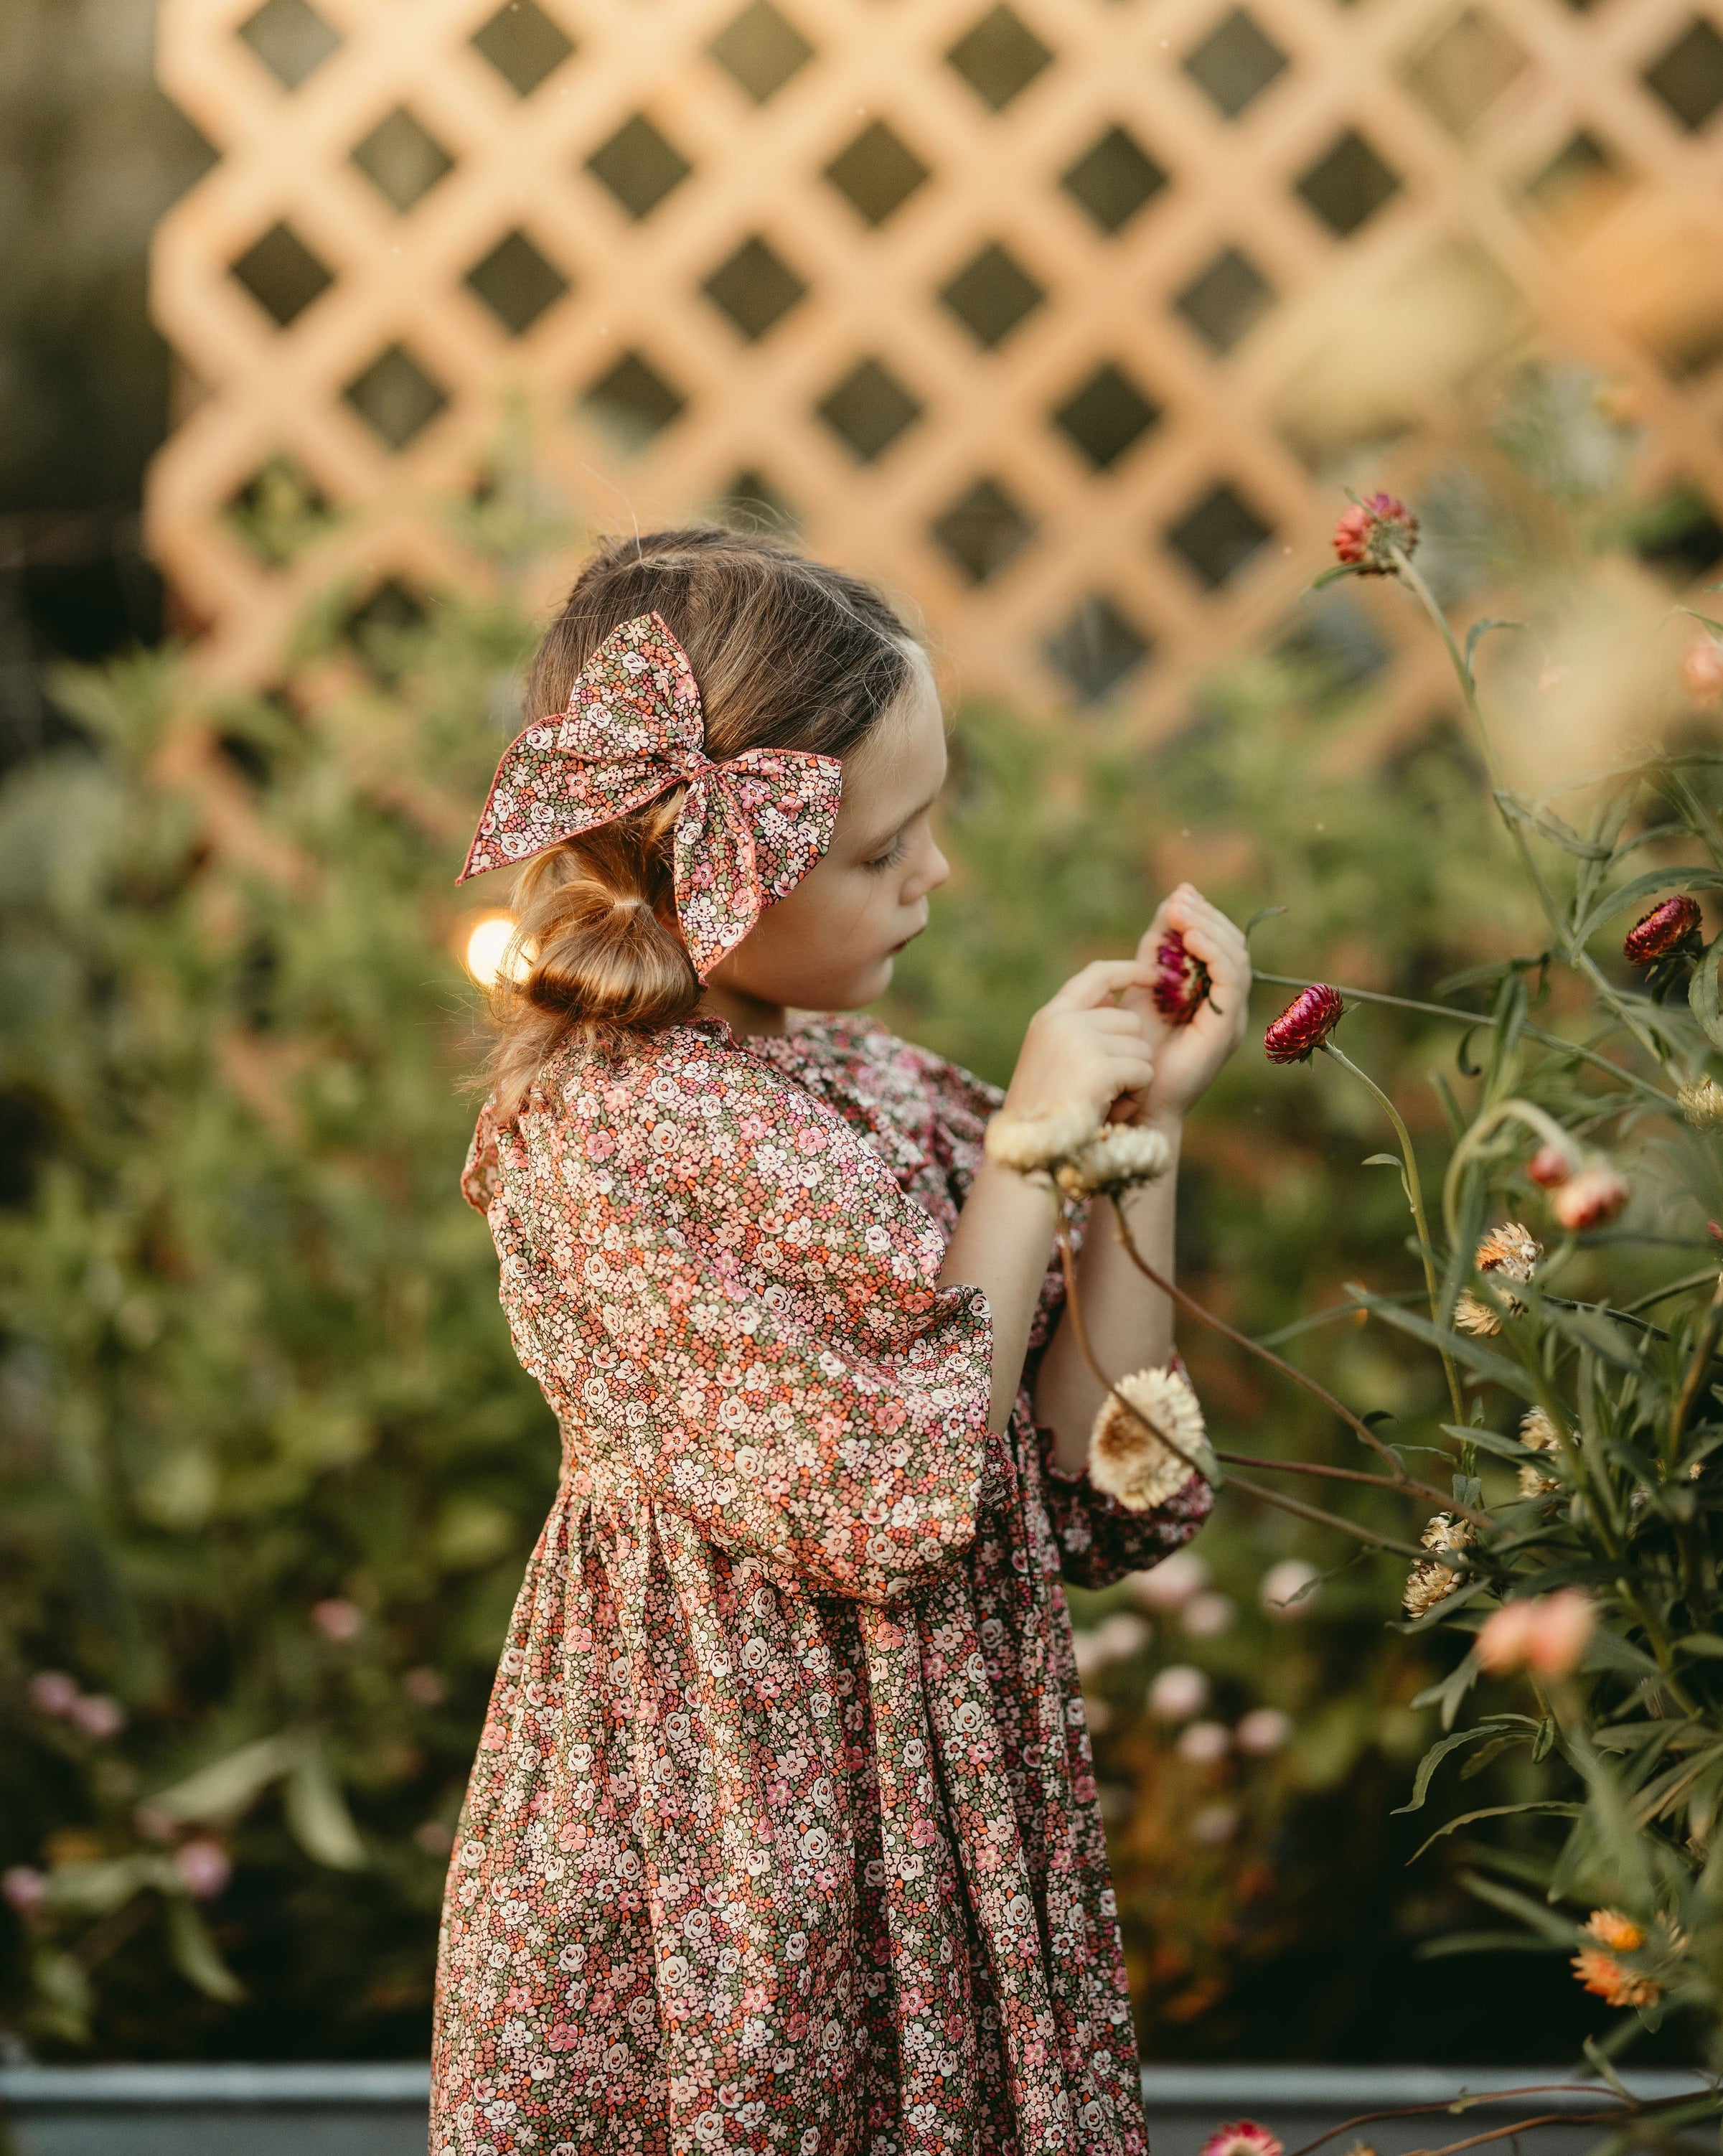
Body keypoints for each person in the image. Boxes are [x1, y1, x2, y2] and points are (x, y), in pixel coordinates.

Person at [429, 527, 1251, 2156]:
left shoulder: (872, 1083)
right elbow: (892, 1486)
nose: (933, 875)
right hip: (724, 1855)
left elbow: (1112, 1476)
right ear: (716, 860)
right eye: (888, 847)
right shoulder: (602, 1138)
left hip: (945, 1822)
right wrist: (1025, 1149)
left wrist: (1132, 1135)